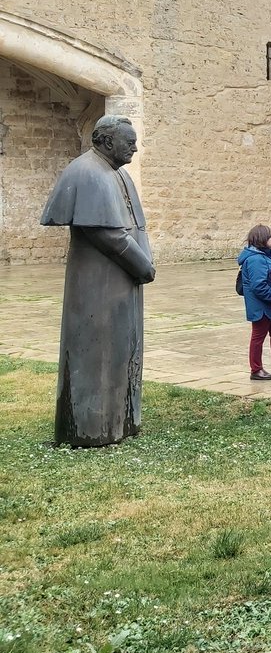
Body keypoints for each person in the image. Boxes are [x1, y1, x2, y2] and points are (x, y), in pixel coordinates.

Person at [40, 115, 155, 447]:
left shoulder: (117, 173)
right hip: (98, 285)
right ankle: (93, 428)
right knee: (97, 355)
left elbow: (135, 228)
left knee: (122, 349)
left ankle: (122, 422)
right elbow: (108, 234)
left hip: (123, 279)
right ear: (106, 141)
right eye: (129, 141)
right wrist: (141, 264)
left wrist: (145, 261)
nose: (135, 146)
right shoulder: (87, 172)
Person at [239, 224, 271, 381]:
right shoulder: (256, 259)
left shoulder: (264, 256)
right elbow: (259, 286)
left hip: (270, 305)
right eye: (270, 236)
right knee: (258, 337)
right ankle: (256, 369)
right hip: (261, 307)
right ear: (263, 239)